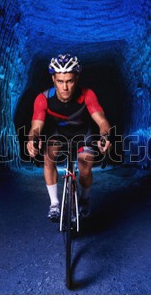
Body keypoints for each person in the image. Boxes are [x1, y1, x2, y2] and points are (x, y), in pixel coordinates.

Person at [26, 54, 111, 221]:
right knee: (48, 156)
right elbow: (35, 128)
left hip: (82, 134)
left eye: (70, 81)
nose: (65, 87)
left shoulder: (87, 95)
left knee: (85, 165)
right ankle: (55, 204)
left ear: (77, 78)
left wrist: (105, 137)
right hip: (59, 134)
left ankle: (84, 199)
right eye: (60, 81)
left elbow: (102, 121)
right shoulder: (43, 99)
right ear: (53, 79)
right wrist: (32, 139)